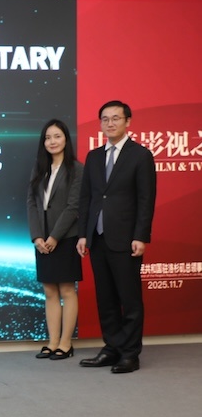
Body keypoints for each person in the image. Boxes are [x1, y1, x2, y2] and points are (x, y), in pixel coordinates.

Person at [77, 100, 156, 374]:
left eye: (115, 118)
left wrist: (140, 236)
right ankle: (111, 348)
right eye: (105, 119)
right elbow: (86, 198)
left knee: (129, 299)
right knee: (106, 298)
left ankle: (130, 354)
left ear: (128, 122)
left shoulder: (140, 155)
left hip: (126, 239)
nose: (110, 123)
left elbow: (146, 200)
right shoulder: (94, 157)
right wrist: (83, 234)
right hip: (97, 238)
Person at [27, 119, 84, 361]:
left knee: (67, 289)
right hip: (43, 240)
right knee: (49, 290)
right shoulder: (40, 168)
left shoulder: (76, 169)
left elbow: (73, 207)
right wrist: (37, 236)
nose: (52, 141)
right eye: (48, 138)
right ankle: (52, 342)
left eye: (57, 136)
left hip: (66, 238)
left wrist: (54, 236)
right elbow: (31, 203)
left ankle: (66, 343)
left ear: (66, 139)